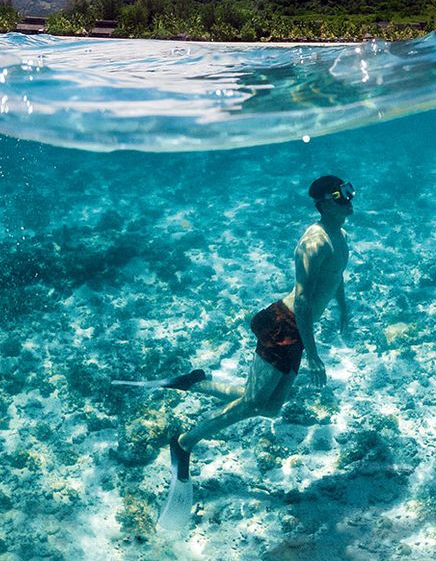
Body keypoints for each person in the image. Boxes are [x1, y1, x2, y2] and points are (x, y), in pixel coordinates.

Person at [113, 174, 354, 529]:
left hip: (296, 332)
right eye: (341, 195)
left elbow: (334, 277)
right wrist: (314, 353)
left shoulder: (341, 236)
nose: (349, 199)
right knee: (253, 403)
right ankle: (184, 442)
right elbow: (302, 300)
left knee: (270, 406)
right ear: (324, 203)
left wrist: (343, 307)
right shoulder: (313, 243)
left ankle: (194, 382)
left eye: (349, 192)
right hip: (284, 326)